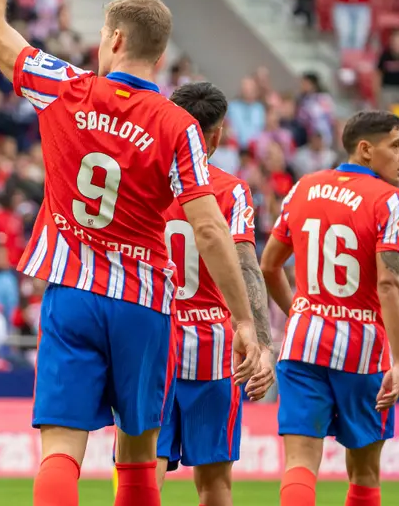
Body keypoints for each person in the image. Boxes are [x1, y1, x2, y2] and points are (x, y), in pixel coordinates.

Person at [0, 0, 265, 506]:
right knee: (135, 458)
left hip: (73, 292)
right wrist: (243, 319)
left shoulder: (64, 86)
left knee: (61, 449)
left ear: (116, 40)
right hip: (145, 305)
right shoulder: (178, 125)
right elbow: (209, 228)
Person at [260, 111, 399, 506]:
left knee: (299, 463)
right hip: (362, 349)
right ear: (365, 150)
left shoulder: (304, 187)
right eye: (396, 145)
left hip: (303, 342)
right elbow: (390, 282)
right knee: (364, 473)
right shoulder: (388, 199)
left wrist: (298, 313)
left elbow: (268, 265)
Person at [152, 82, 275, 505]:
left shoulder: (143, 180)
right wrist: (260, 340)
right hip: (214, 348)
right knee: (215, 483)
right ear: (218, 134)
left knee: (142, 471)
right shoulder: (229, 189)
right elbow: (245, 262)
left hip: (153, 340)